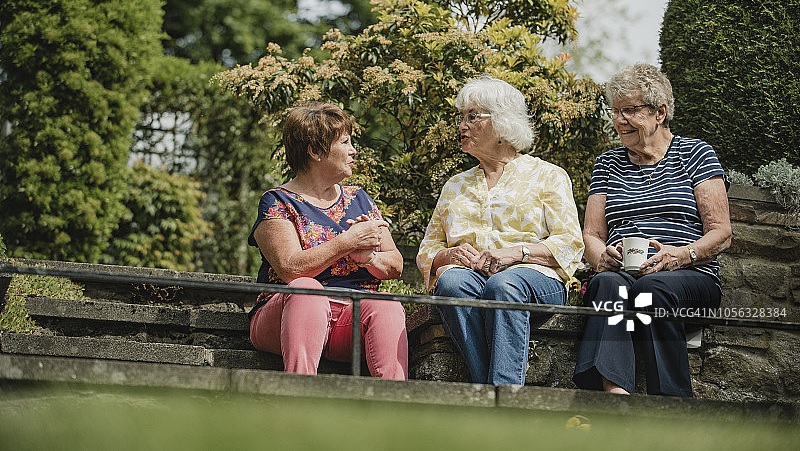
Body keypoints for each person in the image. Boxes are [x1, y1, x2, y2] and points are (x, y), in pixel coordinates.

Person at [573, 63, 732, 397]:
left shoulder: (695, 153)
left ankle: (671, 405)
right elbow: (591, 234)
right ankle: (616, 395)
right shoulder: (607, 164)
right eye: (615, 111)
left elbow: (721, 233)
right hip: (625, 272)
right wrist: (602, 256)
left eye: (629, 110)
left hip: (690, 275)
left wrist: (680, 255)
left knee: (653, 287)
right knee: (605, 283)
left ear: (660, 111)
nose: (619, 120)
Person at [416, 75, 584, 385]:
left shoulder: (548, 175)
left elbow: (570, 241)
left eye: (472, 116)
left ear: (503, 124)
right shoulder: (455, 185)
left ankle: (503, 395)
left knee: (503, 285)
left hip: (536, 279)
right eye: (460, 117)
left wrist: (514, 253)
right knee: (452, 282)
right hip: (471, 279)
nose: (461, 125)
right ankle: (495, 394)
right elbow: (427, 250)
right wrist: (448, 255)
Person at [247, 101, 408, 380]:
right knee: (307, 289)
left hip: (350, 320)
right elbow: (290, 269)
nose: (353, 150)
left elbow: (395, 264)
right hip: (288, 317)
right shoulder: (277, 202)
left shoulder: (360, 199)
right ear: (316, 151)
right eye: (345, 142)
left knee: (387, 304)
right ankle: (299, 397)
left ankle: (394, 406)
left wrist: (370, 258)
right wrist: (347, 242)